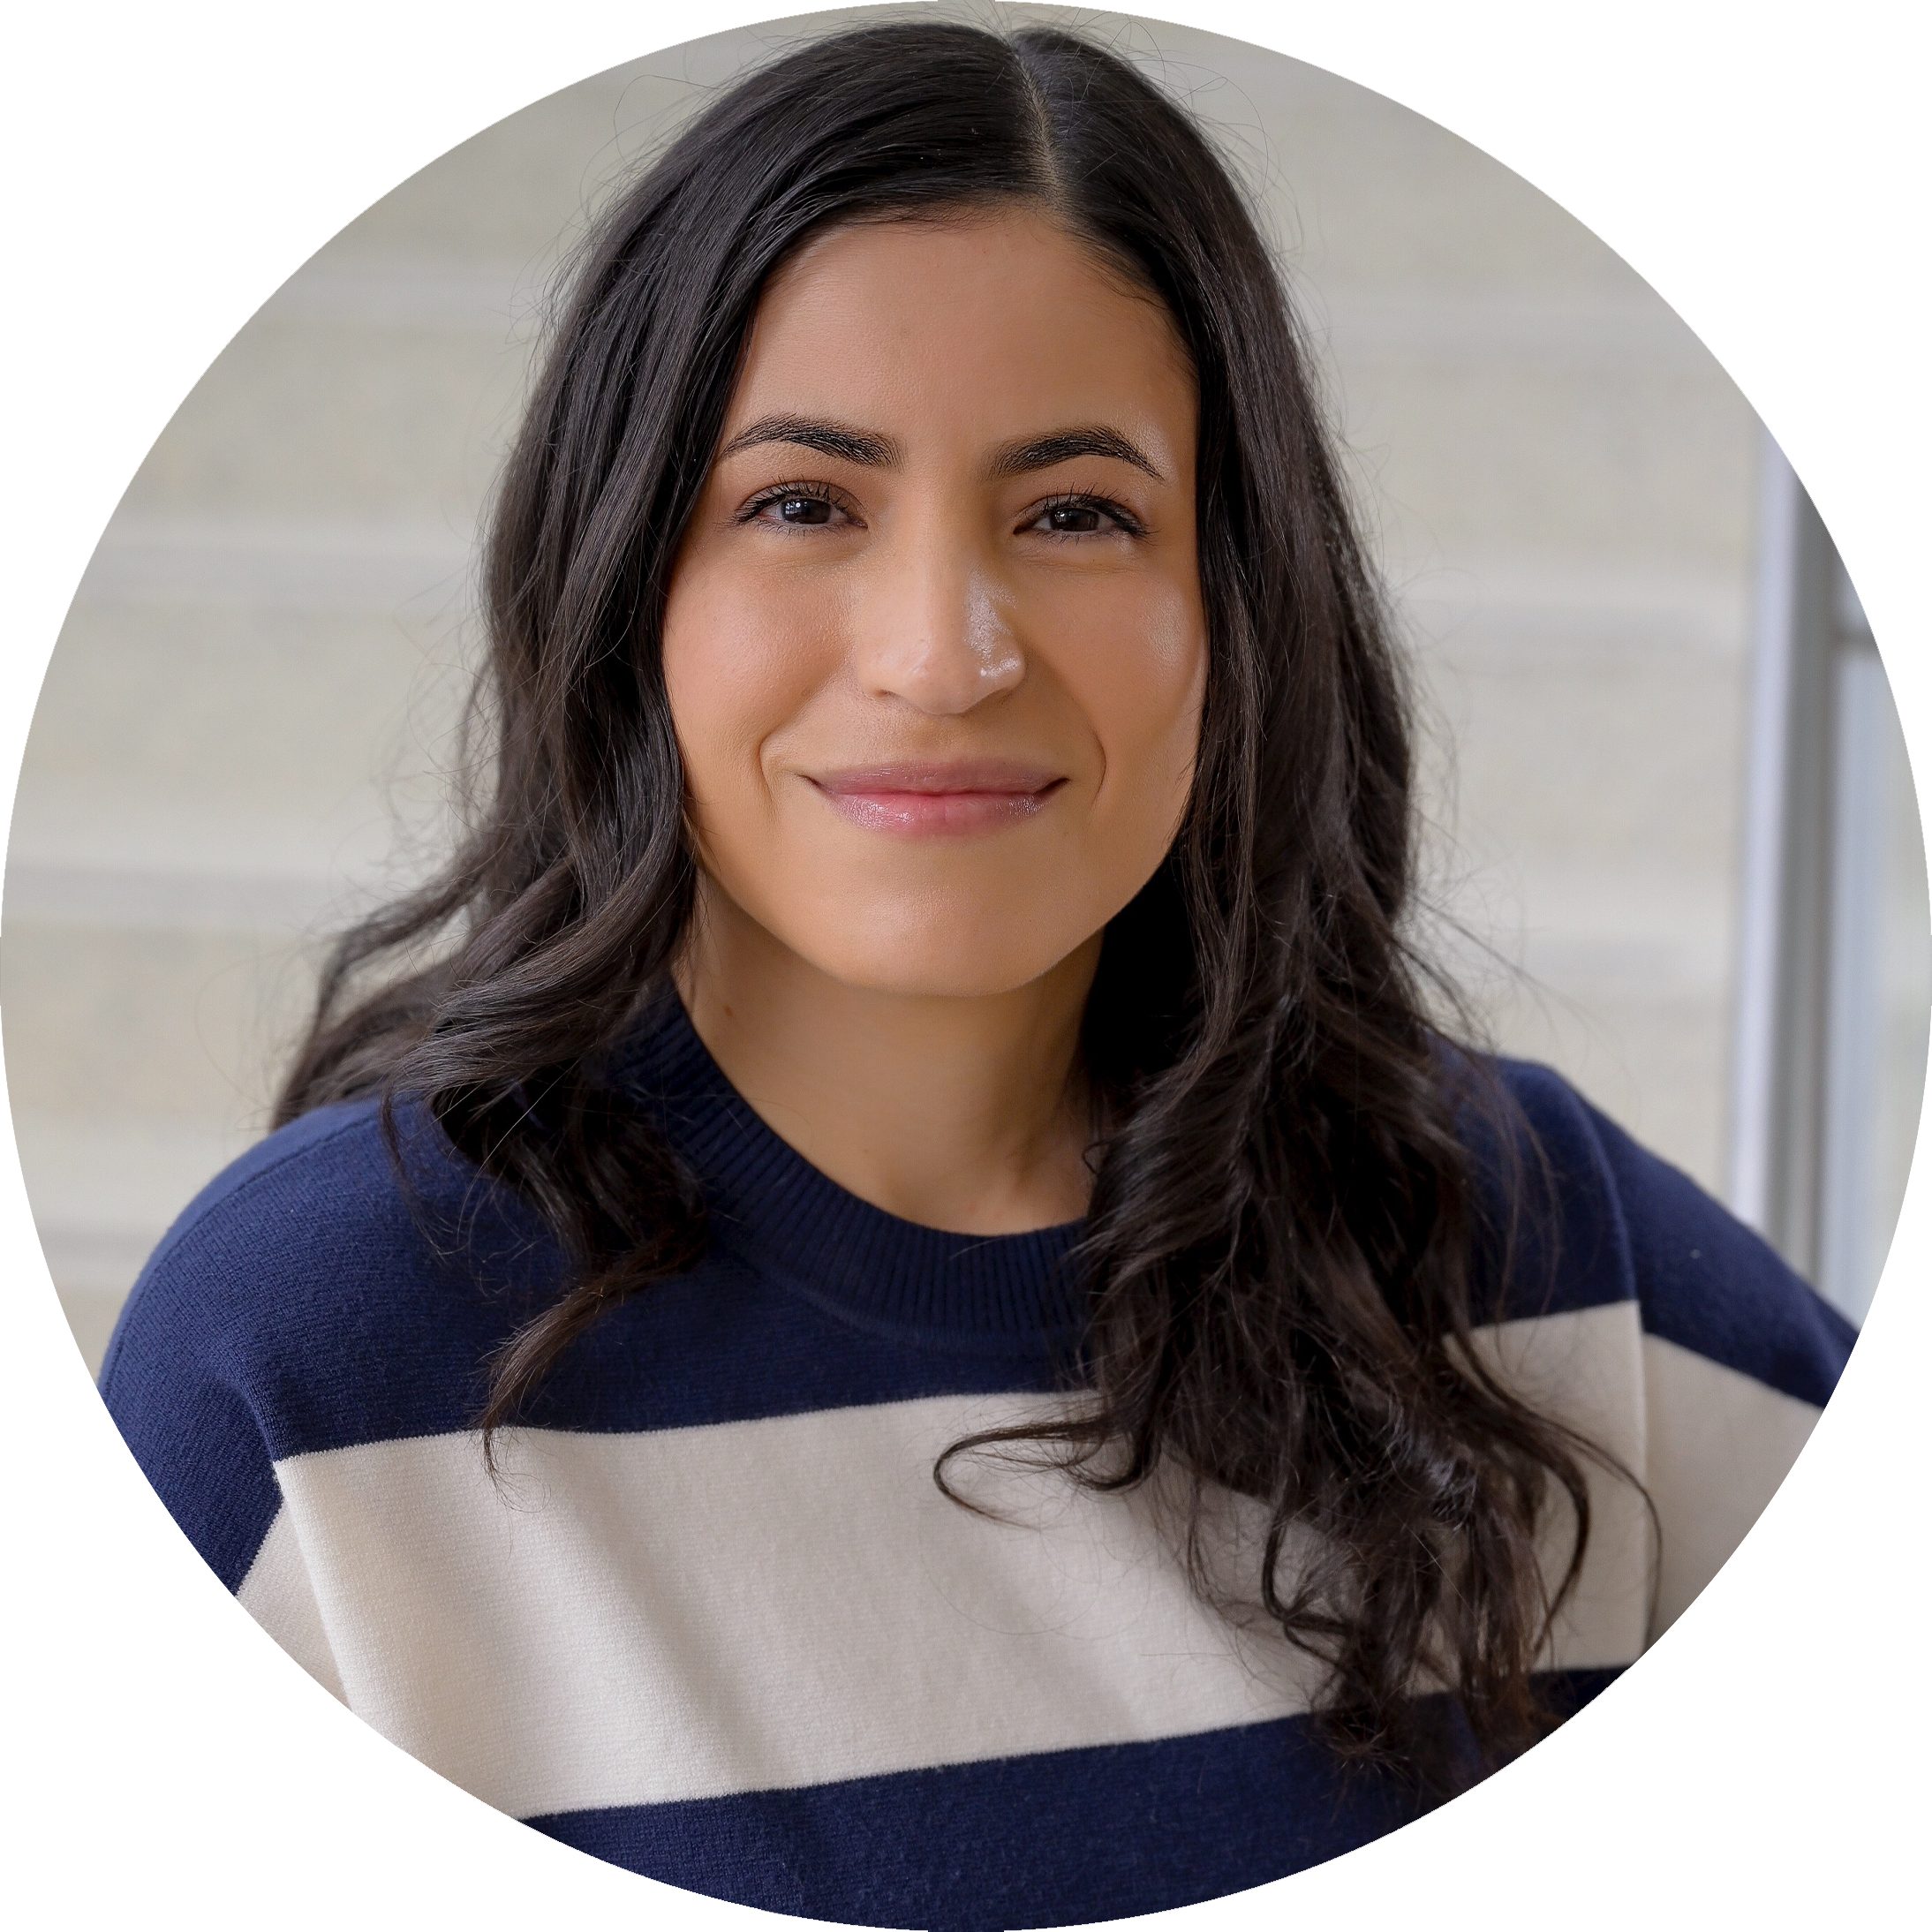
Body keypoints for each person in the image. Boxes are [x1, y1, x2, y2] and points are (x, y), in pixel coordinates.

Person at [98, 20, 1929, 1926]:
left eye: (1075, 513)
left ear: (1233, 604)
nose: (941, 649)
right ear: (626, 583)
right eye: (802, 502)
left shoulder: (1509, 1243)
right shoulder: (310, 1362)